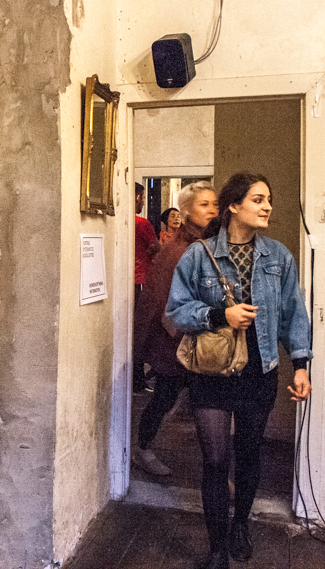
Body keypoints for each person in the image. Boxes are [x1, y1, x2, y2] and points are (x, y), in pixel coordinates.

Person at [166, 173, 312, 569]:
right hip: (211, 373)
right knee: (215, 462)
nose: (267, 207)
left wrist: (300, 366)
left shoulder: (278, 257)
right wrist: (220, 315)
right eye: (258, 199)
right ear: (234, 205)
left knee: (248, 454)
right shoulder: (198, 255)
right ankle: (217, 551)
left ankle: (240, 525)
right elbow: (176, 310)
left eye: (269, 200)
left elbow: (293, 315)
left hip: (258, 372)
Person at [132, 183, 217, 476]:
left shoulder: (210, 244)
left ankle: (215, 467)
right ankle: (142, 448)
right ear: (187, 211)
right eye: (204, 204)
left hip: (203, 338)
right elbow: (160, 299)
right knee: (164, 397)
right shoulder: (179, 250)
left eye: (215, 204)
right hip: (177, 341)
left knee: (207, 404)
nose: (212, 210)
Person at [134, 183, 158, 306]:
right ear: (138, 197)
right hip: (141, 277)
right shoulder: (142, 223)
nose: (143, 203)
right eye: (143, 198)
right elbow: (156, 248)